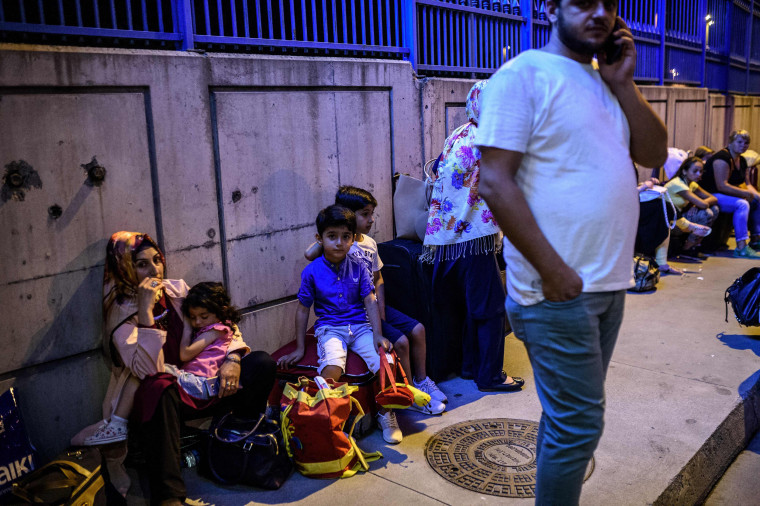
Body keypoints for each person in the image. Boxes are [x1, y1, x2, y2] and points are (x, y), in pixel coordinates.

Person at [475, 0, 668, 503]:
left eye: (610, 3)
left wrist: (624, 83)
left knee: (564, 417)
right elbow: (494, 183)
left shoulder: (606, 84)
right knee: (580, 425)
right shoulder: (524, 76)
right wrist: (553, 270)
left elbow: (652, 154)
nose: (600, 12)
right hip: (556, 290)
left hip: (606, 284)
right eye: (583, 1)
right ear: (550, 6)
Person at [73, 231, 276, 505]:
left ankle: (234, 442)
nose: (154, 269)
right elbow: (147, 369)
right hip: (162, 399)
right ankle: (169, 496)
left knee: (261, 363)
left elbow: (220, 318)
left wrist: (233, 358)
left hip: (204, 383)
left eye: (157, 260)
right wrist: (145, 311)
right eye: (142, 264)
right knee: (159, 385)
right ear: (124, 268)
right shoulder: (120, 311)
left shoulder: (176, 290)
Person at [304, 186, 447, 415]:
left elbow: (378, 279)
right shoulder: (341, 244)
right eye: (364, 214)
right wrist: (336, 229)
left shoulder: (369, 243)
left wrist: (380, 308)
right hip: (356, 312)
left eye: (372, 214)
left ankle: (421, 381)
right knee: (400, 342)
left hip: (374, 305)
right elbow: (309, 254)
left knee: (418, 329)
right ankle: (408, 394)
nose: (371, 220)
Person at [424, 79, 524, 393]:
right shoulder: (491, 140)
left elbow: (439, 170)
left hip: (446, 240)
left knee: (473, 307)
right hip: (475, 237)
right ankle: (490, 376)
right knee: (492, 309)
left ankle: (470, 367)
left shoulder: (459, 134)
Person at [277, 205, 401, 444]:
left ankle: (386, 415)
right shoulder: (311, 271)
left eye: (346, 237)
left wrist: (377, 334)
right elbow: (303, 309)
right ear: (320, 238)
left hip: (361, 327)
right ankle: (331, 421)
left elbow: (370, 299)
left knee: (384, 362)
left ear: (353, 239)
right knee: (332, 367)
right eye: (331, 236)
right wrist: (300, 348)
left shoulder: (358, 265)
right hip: (330, 329)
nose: (339, 243)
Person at [700, 130, 760, 258]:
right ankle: (741, 246)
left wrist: (756, 195)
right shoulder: (722, 158)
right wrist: (744, 193)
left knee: (757, 200)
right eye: (739, 142)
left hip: (725, 193)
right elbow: (722, 185)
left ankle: (756, 238)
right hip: (711, 194)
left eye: (746, 143)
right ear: (731, 142)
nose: (743, 145)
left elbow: (747, 184)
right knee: (742, 204)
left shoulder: (742, 160)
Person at [665, 156, 719, 256]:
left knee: (714, 209)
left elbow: (714, 199)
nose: (699, 174)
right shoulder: (678, 184)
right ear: (684, 171)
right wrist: (697, 204)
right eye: (695, 171)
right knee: (706, 213)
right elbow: (703, 204)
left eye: (701, 171)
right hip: (669, 220)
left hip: (680, 215)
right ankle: (687, 248)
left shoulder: (691, 184)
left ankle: (694, 244)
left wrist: (695, 204)